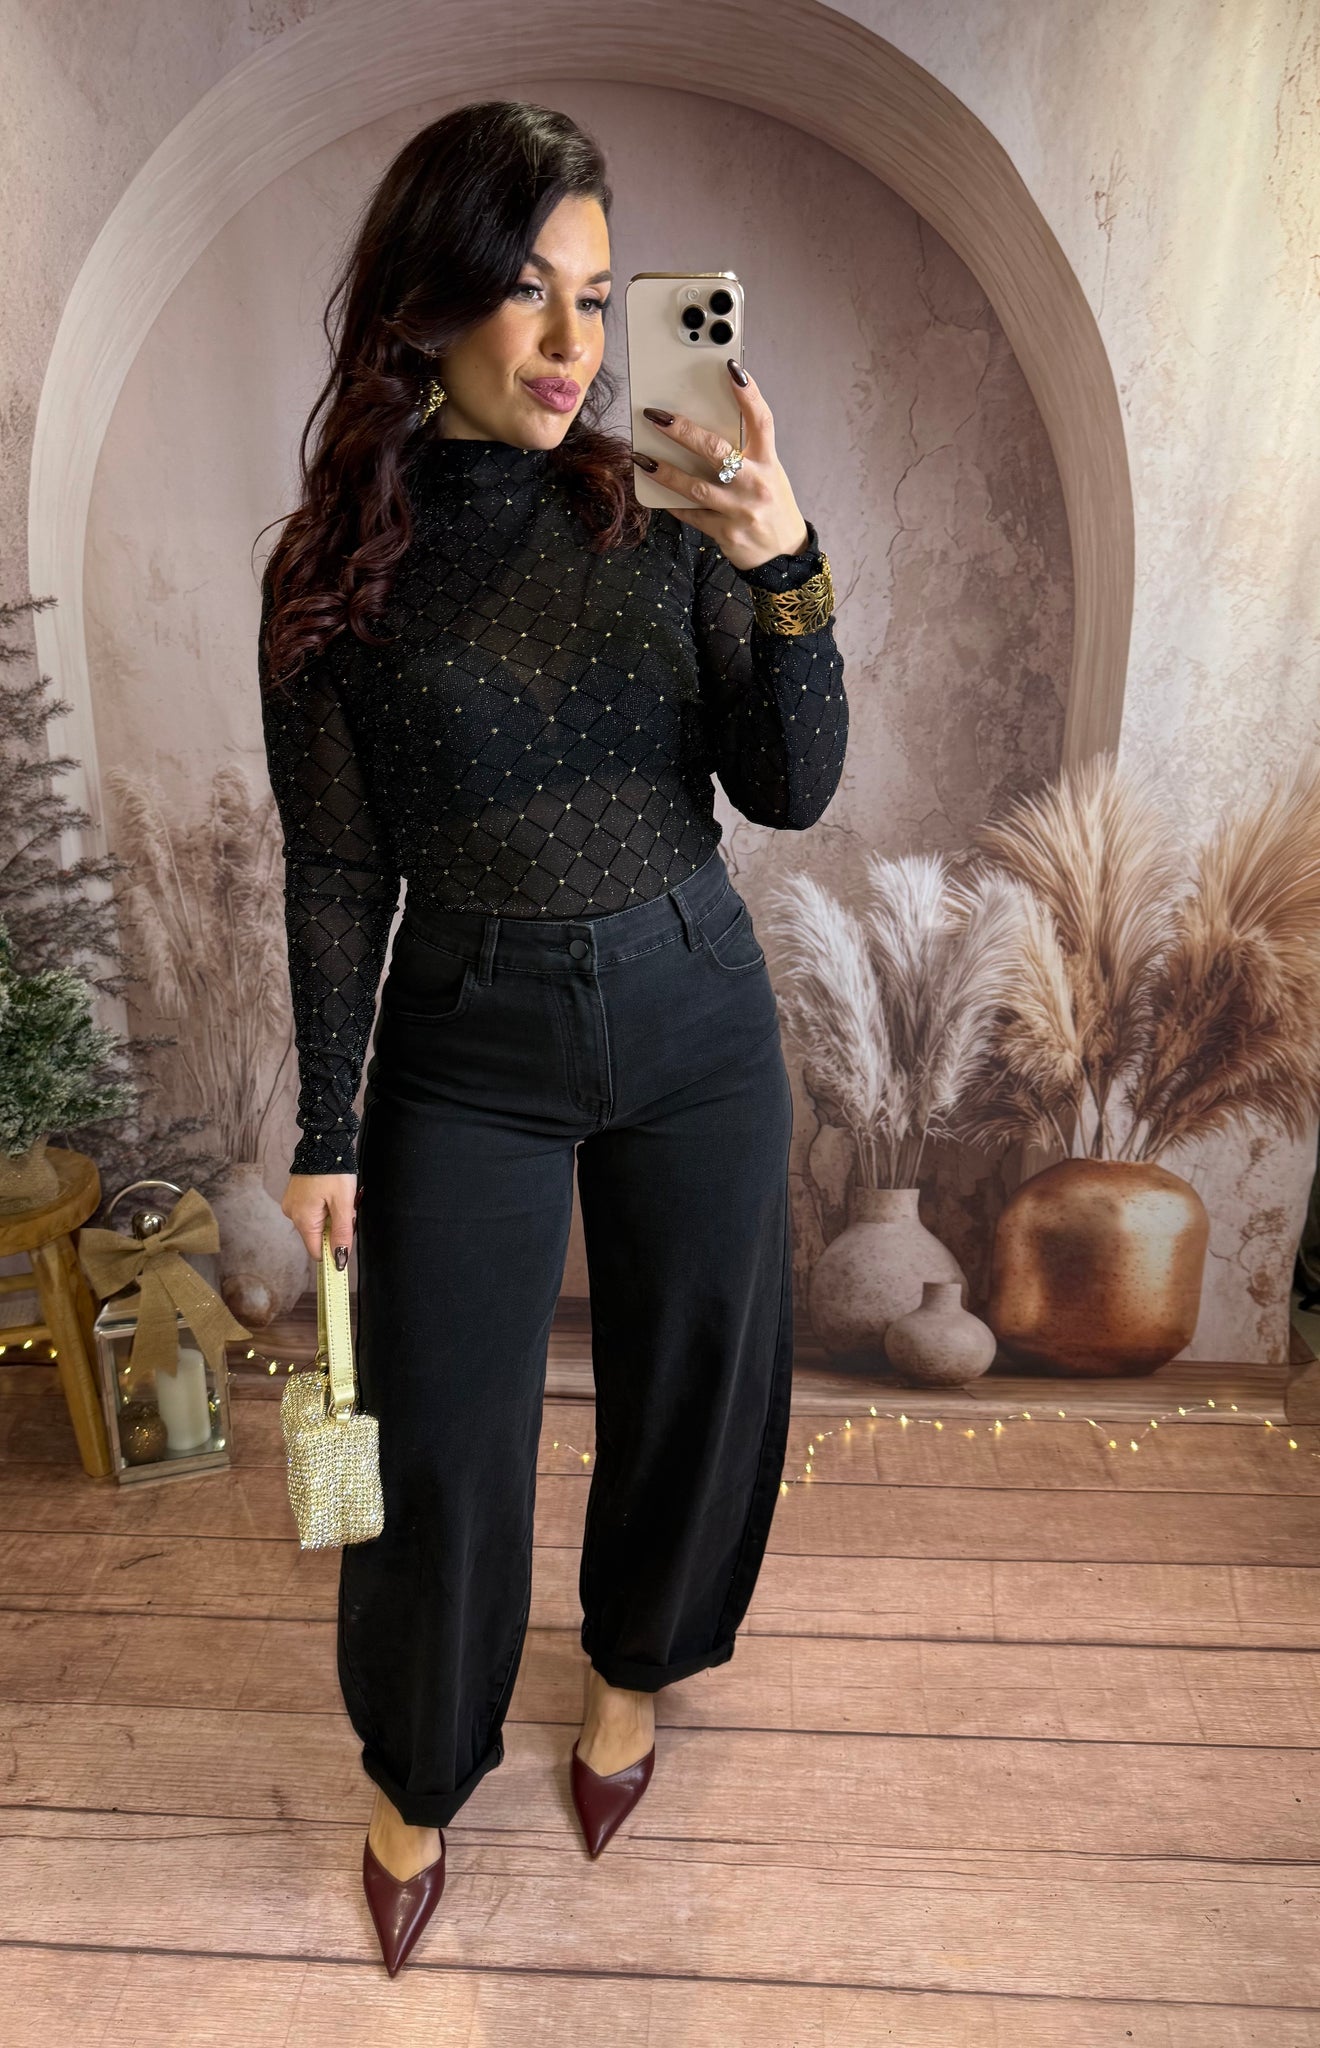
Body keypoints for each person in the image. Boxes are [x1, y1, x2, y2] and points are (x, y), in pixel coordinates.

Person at [256, 98, 848, 1973]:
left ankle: (629, 1684)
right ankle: (417, 1771)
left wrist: (784, 563)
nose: (573, 340)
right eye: (527, 291)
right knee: (440, 1445)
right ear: (429, 301)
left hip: (694, 1010)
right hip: (467, 1043)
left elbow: (791, 786)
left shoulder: (655, 507)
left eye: (596, 295)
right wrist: (327, 1127)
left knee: (698, 1384)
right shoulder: (334, 574)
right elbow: (337, 870)